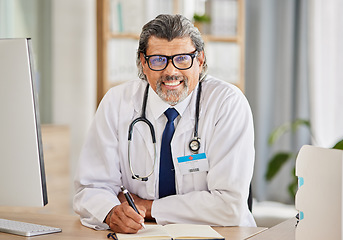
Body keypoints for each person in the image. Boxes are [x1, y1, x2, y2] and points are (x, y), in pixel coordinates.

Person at [73, 14, 256, 233]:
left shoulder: (227, 103)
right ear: (143, 62)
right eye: (158, 59)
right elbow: (91, 187)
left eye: (182, 59)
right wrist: (111, 211)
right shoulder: (117, 102)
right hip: (140, 234)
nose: (171, 71)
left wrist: (148, 207)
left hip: (221, 234)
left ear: (200, 60)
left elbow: (229, 206)